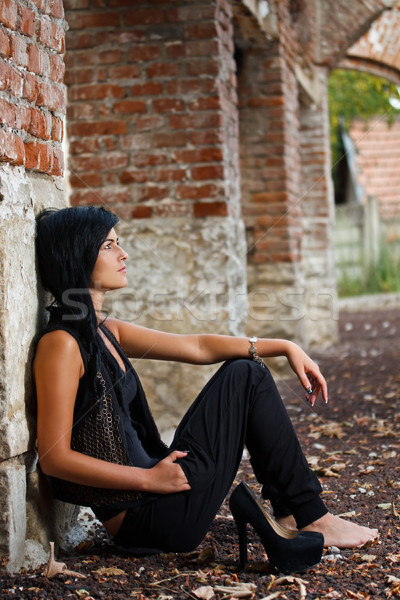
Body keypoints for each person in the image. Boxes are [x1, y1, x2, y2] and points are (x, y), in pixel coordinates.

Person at [33, 206, 378, 573]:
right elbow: (54, 458)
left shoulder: (106, 331)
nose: (124, 254)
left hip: (159, 488)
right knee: (245, 375)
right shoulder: (61, 344)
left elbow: (197, 346)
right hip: (150, 516)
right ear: (77, 255)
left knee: (247, 369)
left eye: (119, 244)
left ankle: (296, 513)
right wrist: (149, 479)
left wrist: (284, 346)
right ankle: (308, 514)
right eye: (108, 246)